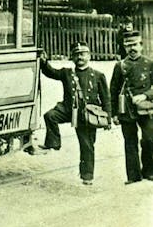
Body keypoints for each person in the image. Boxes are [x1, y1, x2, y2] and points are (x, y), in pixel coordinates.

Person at [38, 42, 111, 186]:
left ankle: (87, 176)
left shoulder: (98, 76)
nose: (80, 57)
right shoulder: (67, 73)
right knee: (50, 116)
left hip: (86, 115)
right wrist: (43, 61)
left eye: (83, 54)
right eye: (76, 55)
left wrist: (107, 118)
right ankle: (53, 143)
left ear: (89, 56)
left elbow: (106, 98)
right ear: (72, 58)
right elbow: (50, 72)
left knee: (87, 145)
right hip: (68, 110)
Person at [109, 30, 153, 184]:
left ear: (141, 45)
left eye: (134, 45)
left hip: (146, 108)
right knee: (130, 142)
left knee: (149, 139)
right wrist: (113, 114)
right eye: (128, 46)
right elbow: (113, 90)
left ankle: (149, 171)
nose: (131, 48)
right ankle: (133, 176)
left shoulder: (149, 63)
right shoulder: (120, 65)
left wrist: (146, 95)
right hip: (126, 109)